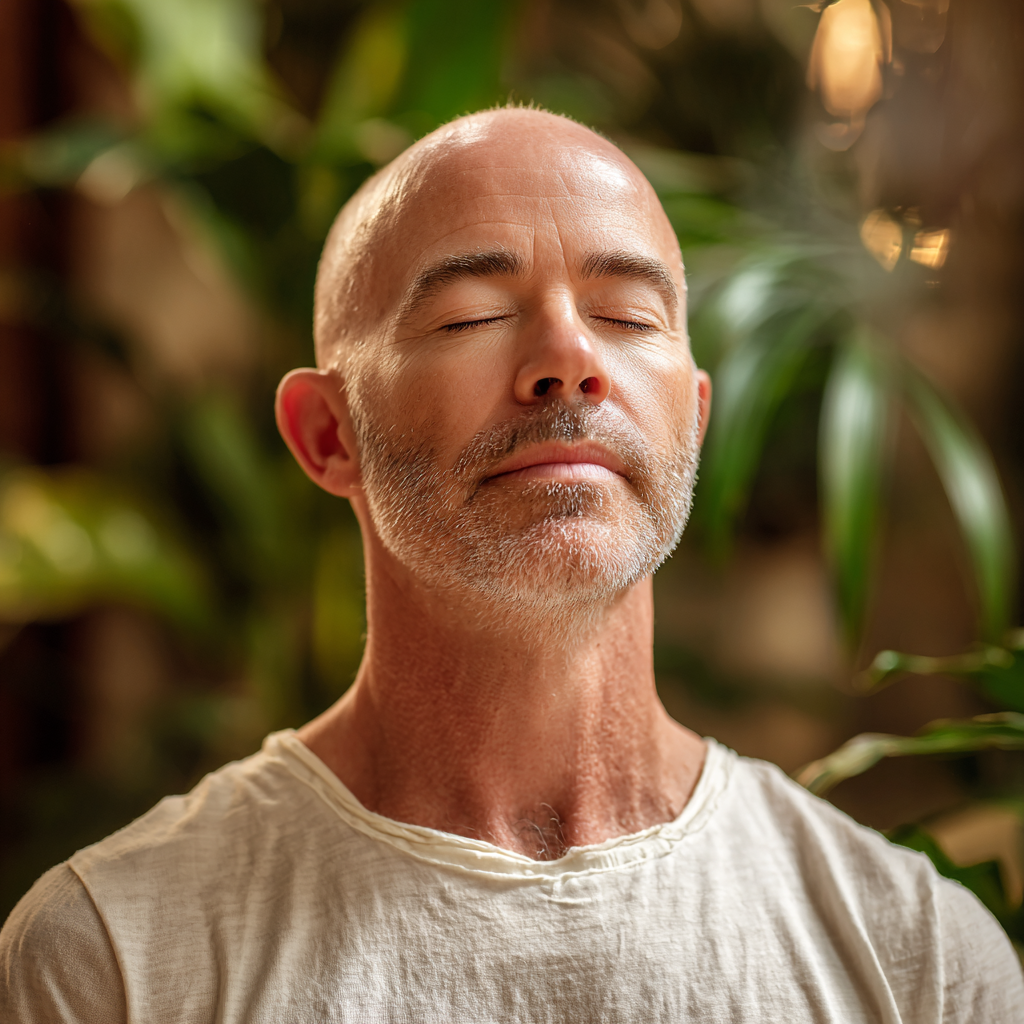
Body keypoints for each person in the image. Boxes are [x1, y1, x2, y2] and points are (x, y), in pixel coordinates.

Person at [1, 106, 1020, 1023]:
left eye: (626, 316)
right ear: (327, 434)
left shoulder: (919, 959)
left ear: (693, 422)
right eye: (472, 316)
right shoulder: (114, 961)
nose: (569, 358)